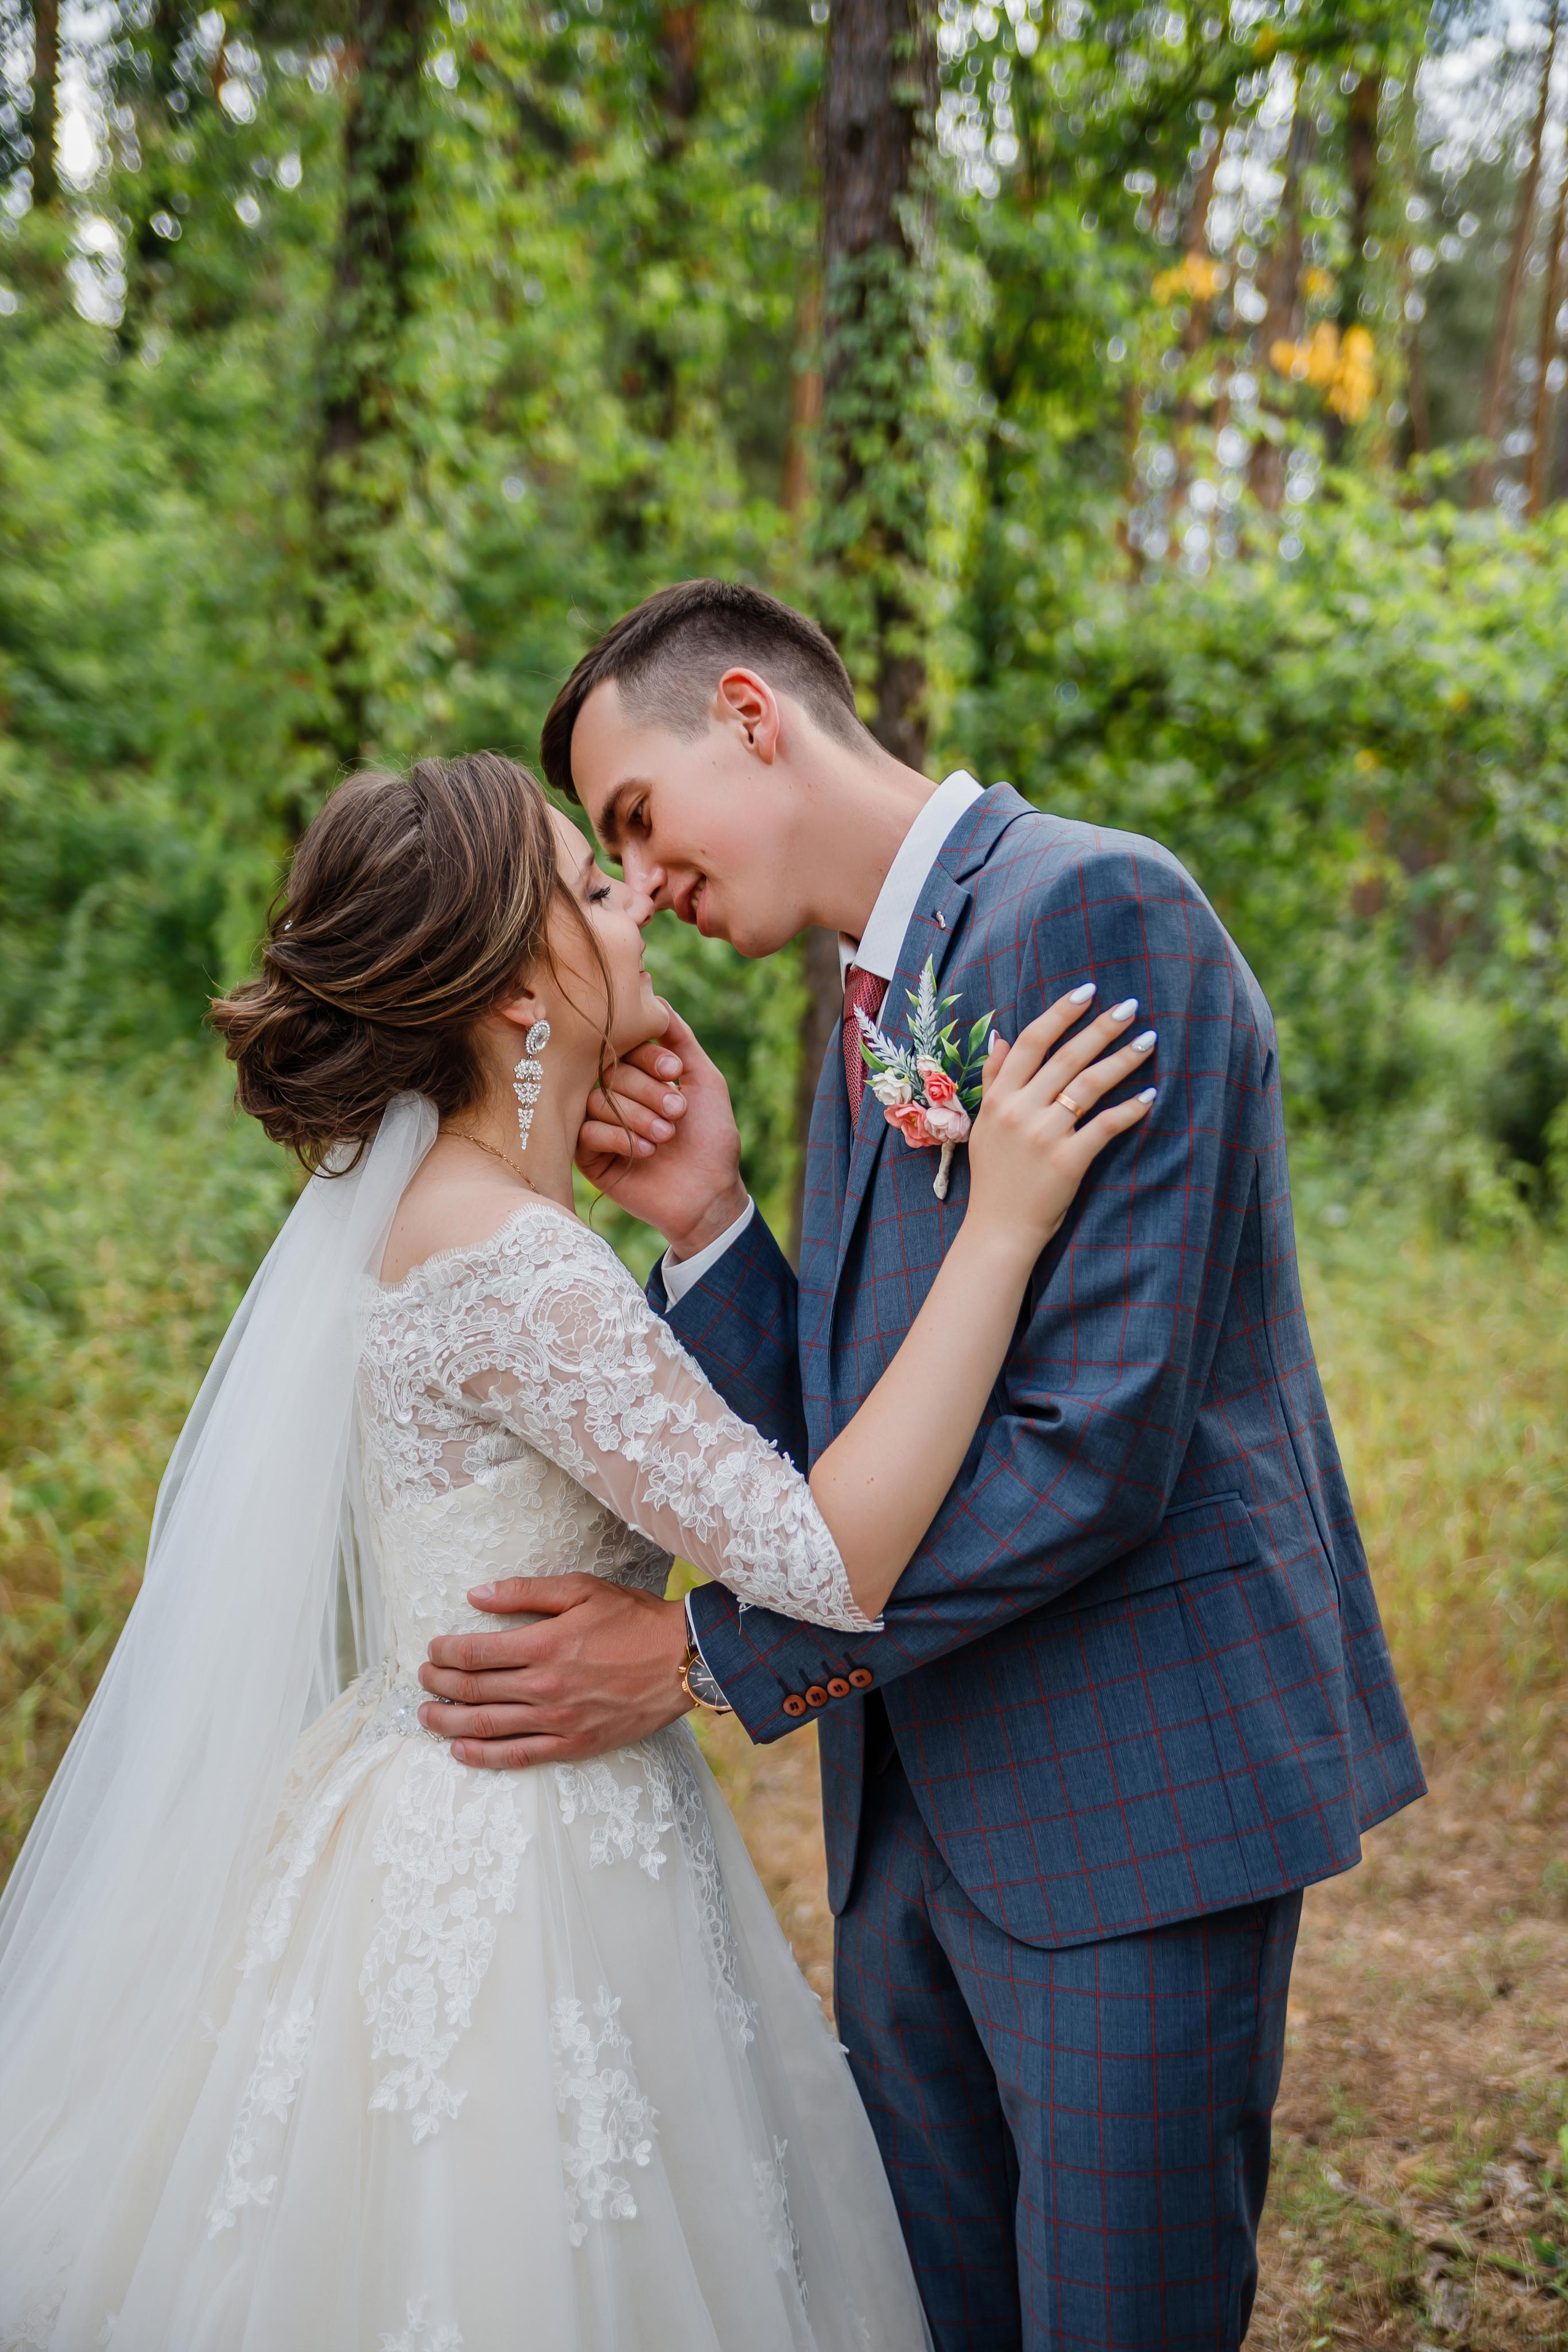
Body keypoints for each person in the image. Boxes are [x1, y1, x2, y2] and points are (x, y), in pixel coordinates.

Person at [0, 750, 1154, 2352]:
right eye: (587, 879)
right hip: (520, 1864)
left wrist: (704, 1218)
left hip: (453, 1802)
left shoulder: (450, 1219)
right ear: (517, 987)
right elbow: (825, 1556)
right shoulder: (514, 1264)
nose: (633, 900)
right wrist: (1007, 1225)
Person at [423, 582, 1428, 2352]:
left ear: (751, 714)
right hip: (916, 1829)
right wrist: (715, 1224)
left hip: (1130, 1814)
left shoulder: (1094, 905)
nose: (639, 887)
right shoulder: (864, 990)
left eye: (639, 822)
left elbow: (1092, 1445)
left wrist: (695, 1661)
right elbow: (867, 1436)